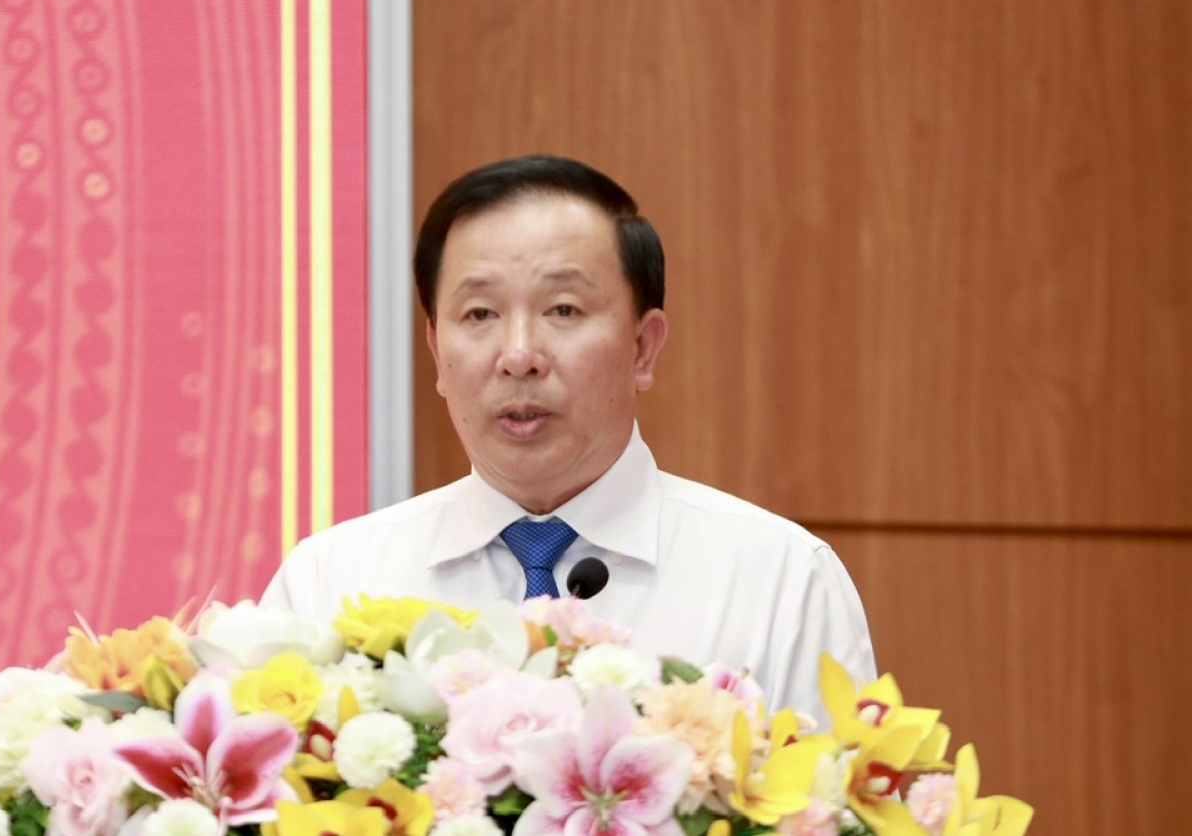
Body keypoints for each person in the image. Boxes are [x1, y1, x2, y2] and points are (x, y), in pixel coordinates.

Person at [260, 154, 875, 720]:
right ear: (437, 353)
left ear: (642, 347)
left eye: (563, 310)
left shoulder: (781, 583)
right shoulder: (330, 585)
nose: (519, 355)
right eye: (480, 314)